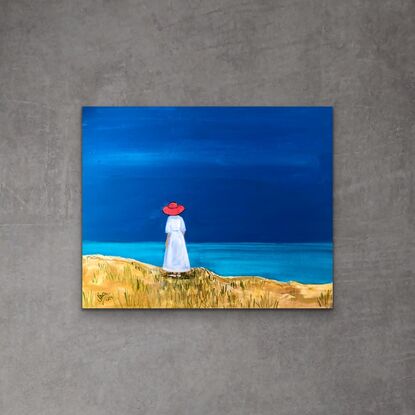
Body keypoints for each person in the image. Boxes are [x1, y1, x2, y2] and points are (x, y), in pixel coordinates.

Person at [162, 202, 191, 275]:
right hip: (179, 236)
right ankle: (179, 272)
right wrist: (182, 239)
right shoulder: (180, 218)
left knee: (172, 253)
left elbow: (168, 231)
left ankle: (173, 270)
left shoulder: (169, 219)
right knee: (179, 253)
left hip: (172, 236)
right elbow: (183, 230)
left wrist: (167, 241)